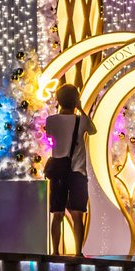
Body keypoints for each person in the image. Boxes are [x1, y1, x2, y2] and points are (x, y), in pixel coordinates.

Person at [44, 83, 96, 255]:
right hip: (77, 172)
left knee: (57, 213)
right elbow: (93, 130)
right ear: (76, 101)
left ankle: (55, 252)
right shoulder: (81, 121)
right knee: (77, 214)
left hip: (58, 171)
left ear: (58, 100)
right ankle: (78, 252)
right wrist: (81, 109)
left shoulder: (51, 120)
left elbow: (50, 134)